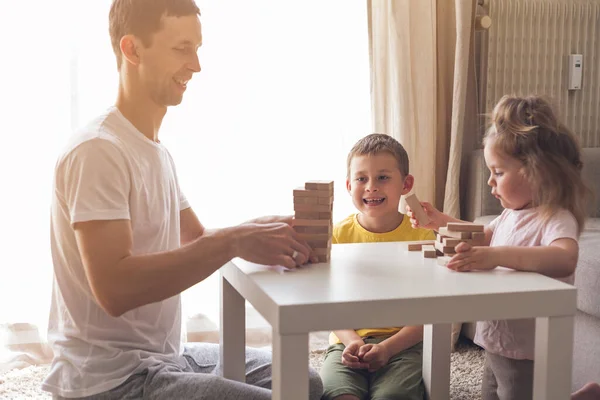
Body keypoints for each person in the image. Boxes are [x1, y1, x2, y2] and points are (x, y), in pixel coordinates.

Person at [42, 1, 323, 399]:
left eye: (197, 49)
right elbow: (114, 289)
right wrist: (233, 241)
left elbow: (193, 237)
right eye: (181, 48)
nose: (196, 65)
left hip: (166, 356)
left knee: (304, 381)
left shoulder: (154, 151)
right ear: (132, 49)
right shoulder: (97, 151)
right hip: (112, 380)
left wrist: (259, 232)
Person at [407, 95, 591, 400]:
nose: (491, 182)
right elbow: (480, 236)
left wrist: (495, 256)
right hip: (495, 339)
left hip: (526, 348)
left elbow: (564, 258)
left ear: (538, 172)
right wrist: (440, 222)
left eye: (499, 172)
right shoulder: (511, 213)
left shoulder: (555, 217)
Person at [320, 133, 435, 400]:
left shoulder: (423, 235)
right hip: (346, 344)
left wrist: (388, 348)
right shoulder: (337, 235)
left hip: (403, 344)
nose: (371, 187)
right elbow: (328, 302)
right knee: (338, 395)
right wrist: (352, 341)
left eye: (383, 177)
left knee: (392, 396)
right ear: (349, 185)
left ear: (406, 184)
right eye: (361, 179)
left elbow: (430, 311)